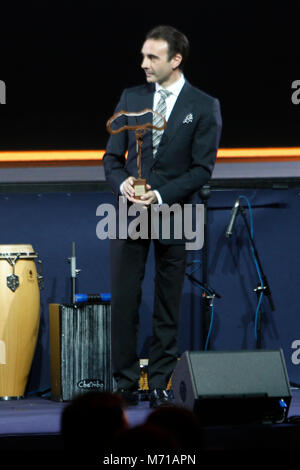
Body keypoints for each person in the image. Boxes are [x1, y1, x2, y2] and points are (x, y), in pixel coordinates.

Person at [103, 25, 222, 408]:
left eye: (152, 57)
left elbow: (201, 170)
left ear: (176, 59)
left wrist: (158, 194)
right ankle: (123, 383)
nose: (144, 64)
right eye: (142, 56)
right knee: (124, 301)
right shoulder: (131, 97)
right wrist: (121, 183)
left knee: (168, 303)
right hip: (129, 213)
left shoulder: (203, 105)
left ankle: (158, 383)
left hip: (174, 211)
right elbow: (110, 159)